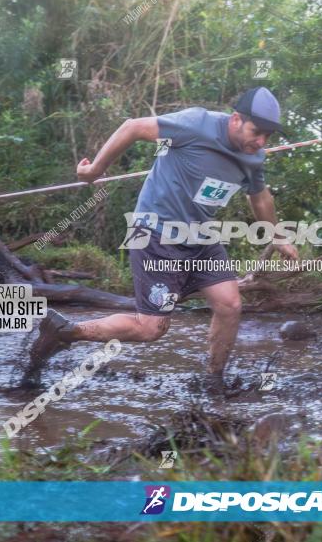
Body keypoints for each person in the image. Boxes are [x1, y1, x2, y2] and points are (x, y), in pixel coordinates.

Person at [21, 87, 298, 392]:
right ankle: (64, 331)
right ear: (235, 119)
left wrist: (278, 235)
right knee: (150, 328)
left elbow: (259, 197)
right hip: (154, 234)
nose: (261, 142)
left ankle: (213, 380)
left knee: (230, 305)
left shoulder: (253, 157)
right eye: (256, 131)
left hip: (201, 236)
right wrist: (95, 170)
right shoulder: (197, 123)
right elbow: (133, 127)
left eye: (267, 136)